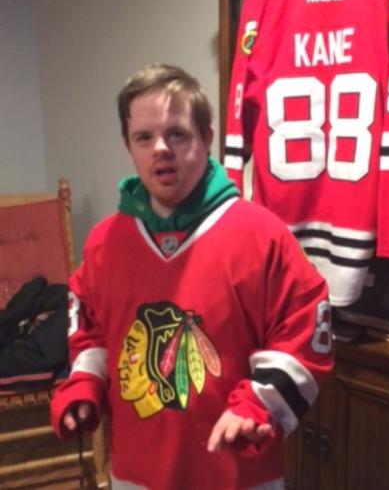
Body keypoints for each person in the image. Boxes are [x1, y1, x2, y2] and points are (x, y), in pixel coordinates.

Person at [50, 63, 334, 490]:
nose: (160, 148)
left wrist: (260, 404)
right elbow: (91, 330)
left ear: (206, 137)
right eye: (144, 137)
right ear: (128, 146)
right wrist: (86, 383)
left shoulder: (262, 236)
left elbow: (305, 333)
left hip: (236, 475)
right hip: (135, 473)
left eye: (177, 134)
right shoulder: (104, 243)